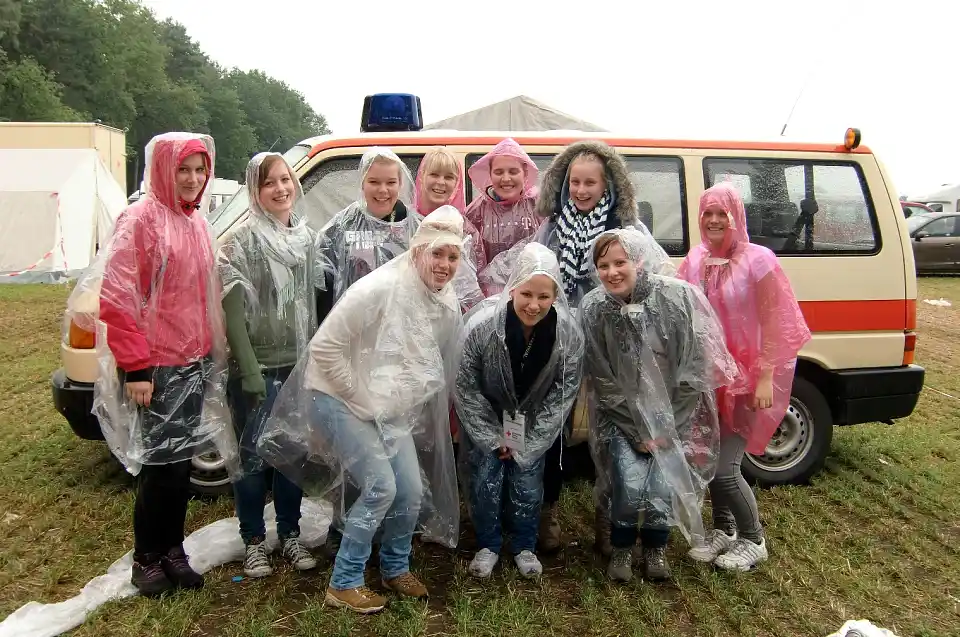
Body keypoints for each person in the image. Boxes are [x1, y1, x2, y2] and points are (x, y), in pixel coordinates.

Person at [257, 206, 466, 614]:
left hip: (383, 402)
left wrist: (394, 402)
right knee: (381, 486)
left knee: (410, 488)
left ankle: (394, 565)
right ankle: (345, 581)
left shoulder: (444, 299)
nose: (443, 265)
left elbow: (419, 361)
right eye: (436, 253)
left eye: (452, 256)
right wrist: (361, 397)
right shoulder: (378, 290)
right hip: (336, 393)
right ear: (417, 250)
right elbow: (323, 349)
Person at [86, 132, 239, 596]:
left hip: (193, 361)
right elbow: (117, 297)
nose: (193, 179)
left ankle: (173, 550)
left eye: (199, 170)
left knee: (179, 465)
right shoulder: (141, 220)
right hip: (157, 366)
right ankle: (146, 558)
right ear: (162, 170)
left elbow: (204, 293)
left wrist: (215, 347)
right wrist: (136, 368)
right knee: (162, 466)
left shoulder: (195, 223)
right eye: (183, 169)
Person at [579, 228, 736, 582]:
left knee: (661, 488)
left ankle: (655, 548)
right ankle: (620, 549)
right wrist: (636, 431)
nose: (612, 272)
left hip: (672, 419)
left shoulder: (675, 299)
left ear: (639, 260)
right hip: (622, 421)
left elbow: (693, 370)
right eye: (603, 265)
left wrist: (666, 429)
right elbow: (602, 378)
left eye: (620, 262)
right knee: (627, 485)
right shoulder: (595, 309)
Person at [678, 182, 811, 571]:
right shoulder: (695, 259)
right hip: (709, 378)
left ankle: (754, 540)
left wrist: (765, 376)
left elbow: (778, 321)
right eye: (708, 213)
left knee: (725, 467)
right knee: (709, 458)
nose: (715, 220)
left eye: (723, 213)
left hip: (746, 378)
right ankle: (724, 529)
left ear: (737, 216)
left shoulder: (760, 260)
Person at [527, 140, 644, 554]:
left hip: (612, 347)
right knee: (554, 428)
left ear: (607, 183)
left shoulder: (625, 229)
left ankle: (611, 522)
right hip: (559, 343)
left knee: (611, 429)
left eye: (589, 182)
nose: (580, 190)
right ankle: (547, 514)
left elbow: (648, 278)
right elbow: (532, 270)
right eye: (574, 181)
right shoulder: (553, 226)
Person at [217, 152, 323, 578]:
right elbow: (232, 310)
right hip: (258, 368)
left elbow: (312, 306)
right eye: (269, 183)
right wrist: (250, 368)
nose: (281, 189)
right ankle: (254, 540)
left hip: (296, 365)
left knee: (292, 455)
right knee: (251, 458)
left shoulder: (305, 238)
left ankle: (291, 534)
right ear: (254, 191)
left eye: (285, 180)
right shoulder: (240, 242)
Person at [455, 242, 583, 580]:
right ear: (513, 287)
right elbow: (466, 386)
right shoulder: (483, 326)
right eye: (526, 294)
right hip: (488, 417)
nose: (534, 304)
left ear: (555, 294)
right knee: (486, 479)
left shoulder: (567, 333)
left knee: (527, 482)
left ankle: (525, 544)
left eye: (544, 296)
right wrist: (489, 435)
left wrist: (534, 438)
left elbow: (563, 392)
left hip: (532, 421)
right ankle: (488, 543)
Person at [464, 138, 542, 295]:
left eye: (513, 171)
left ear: (525, 173)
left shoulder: (539, 206)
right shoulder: (475, 211)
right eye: (499, 172)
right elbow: (468, 263)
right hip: (489, 298)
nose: (506, 179)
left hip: (532, 297)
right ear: (490, 174)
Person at [414, 146, 485, 311]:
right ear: (422, 176)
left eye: (449, 177)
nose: (440, 182)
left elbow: (475, 285)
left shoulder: (467, 231)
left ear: (457, 183)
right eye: (434, 174)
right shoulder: (406, 224)